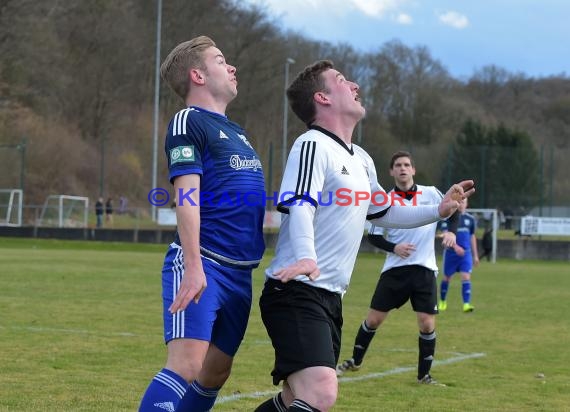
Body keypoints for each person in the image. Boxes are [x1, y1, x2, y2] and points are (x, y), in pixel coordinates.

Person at [254, 60, 474, 412]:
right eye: (342, 80)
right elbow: (300, 204)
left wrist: (439, 209)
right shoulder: (312, 144)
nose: (355, 84)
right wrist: (306, 255)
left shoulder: (362, 160)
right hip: (295, 292)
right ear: (322, 98)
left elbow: (384, 211)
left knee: (296, 399)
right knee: (321, 392)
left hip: (330, 297)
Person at [138, 36, 265, 412]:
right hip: (204, 263)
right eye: (221, 60)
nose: (232, 68)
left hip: (240, 272)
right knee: (188, 366)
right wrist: (193, 266)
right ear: (197, 75)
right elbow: (187, 196)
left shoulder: (238, 132)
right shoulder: (188, 121)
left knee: (214, 373)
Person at [336, 151, 458, 385]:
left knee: (427, 323)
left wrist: (451, 230)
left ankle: (424, 376)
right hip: (395, 271)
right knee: (373, 320)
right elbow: (373, 236)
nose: (403, 168)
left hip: (424, 269)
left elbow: (453, 210)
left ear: (413, 169)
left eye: (407, 165)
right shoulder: (385, 199)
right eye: (398, 165)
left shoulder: (431, 193)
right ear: (391, 171)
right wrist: (395, 247)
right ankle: (355, 360)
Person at [439, 198, 479, 313]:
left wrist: (475, 255)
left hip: (465, 254)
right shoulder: (448, 218)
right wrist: (455, 247)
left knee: (466, 277)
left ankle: (466, 304)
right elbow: (445, 235)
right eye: (460, 202)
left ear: (467, 204)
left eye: (464, 202)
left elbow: (472, 237)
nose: (461, 204)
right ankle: (442, 301)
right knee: (447, 278)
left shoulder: (470, 219)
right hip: (451, 253)